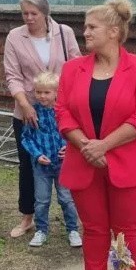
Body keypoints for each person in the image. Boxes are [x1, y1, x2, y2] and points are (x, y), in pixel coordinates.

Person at [55, 0, 136, 270]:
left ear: (114, 31)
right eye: (85, 27)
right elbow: (62, 112)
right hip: (84, 162)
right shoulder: (72, 69)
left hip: (128, 164)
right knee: (94, 231)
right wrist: (87, 146)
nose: (85, 32)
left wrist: (103, 145)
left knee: (128, 231)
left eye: (91, 27)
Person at [4, 0, 81, 239]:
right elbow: (12, 75)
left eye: (33, 14)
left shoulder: (64, 32)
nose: (28, 18)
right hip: (28, 111)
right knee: (29, 164)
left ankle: (74, 220)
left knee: (68, 159)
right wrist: (24, 104)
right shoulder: (15, 37)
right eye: (24, 13)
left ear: (45, 13)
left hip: (61, 110)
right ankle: (28, 216)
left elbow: (76, 65)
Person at [20, 72, 82, 248]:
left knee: (66, 198)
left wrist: (69, 147)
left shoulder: (64, 112)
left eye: (47, 92)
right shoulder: (32, 113)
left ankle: (73, 230)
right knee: (41, 200)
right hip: (41, 166)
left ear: (56, 93)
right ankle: (41, 230)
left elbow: (73, 131)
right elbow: (26, 138)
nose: (42, 96)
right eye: (38, 92)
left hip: (63, 164)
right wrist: (37, 154)